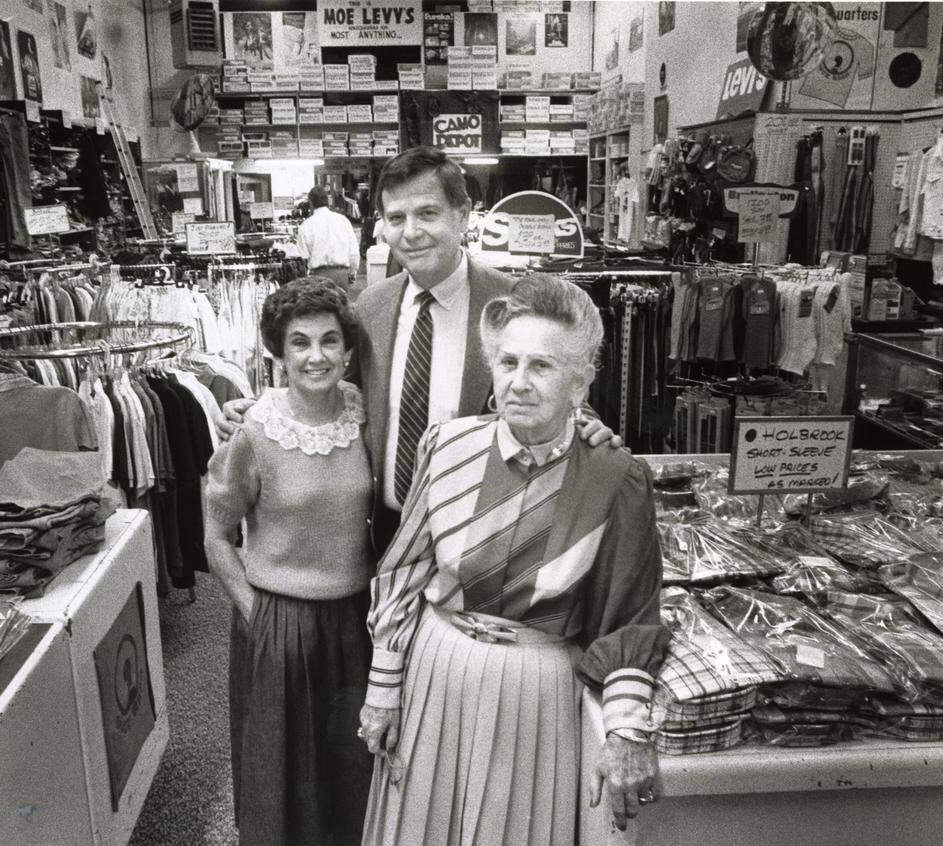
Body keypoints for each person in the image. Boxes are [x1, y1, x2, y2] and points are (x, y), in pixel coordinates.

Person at [357, 274, 669, 844]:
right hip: (434, 671)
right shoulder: (446, 446)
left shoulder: (615, 478)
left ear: (582, 381)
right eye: (507, 362)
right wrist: (383, 688)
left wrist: (626, 730)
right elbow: (404, 572)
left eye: (542, 367)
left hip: (535, 694)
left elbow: (630, 614)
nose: (518, 383)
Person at [219, 146, 621, 552]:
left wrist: (582, 419)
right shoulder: (371, 307)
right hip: (385, 528)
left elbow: (550, 375)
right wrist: (265, 408)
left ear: (462, 215)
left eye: (427, 213)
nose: (410, 232)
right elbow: (336, 392)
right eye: (396, 218)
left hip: (484, 525)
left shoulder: (510, 302)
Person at [203, 278, 374, 845]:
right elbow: (215, 536)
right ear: (278, 352)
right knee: (281, 778)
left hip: (354, 622)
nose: (317, 356)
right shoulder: (253, 431)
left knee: (349, 773)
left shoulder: (361, 414)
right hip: (280, 621)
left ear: (348, 351)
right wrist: (258, 612)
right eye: (300, 343)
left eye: (330, 341)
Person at [296, 185, 359, 291]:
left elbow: (303, 258)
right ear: (328, 201)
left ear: (311, 203)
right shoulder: (343, 220)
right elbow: (353, 253)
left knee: (320, 307)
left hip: (317, 277)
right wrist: (352, 273)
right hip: (341, 275)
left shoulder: (305, 226)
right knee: (341, 306)